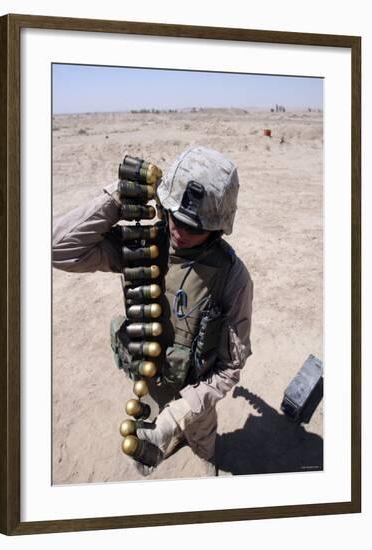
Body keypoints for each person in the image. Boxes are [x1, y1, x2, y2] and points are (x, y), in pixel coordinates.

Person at [52, 145, 253, 476]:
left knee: (203, 442)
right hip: (151, 381)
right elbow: (60, 249)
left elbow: (230, 367)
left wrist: (176, 418)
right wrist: (120, 196)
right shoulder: (144, 244)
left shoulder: (233, 277)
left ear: (217, 227)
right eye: (175, 215)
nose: (179, 231)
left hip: (196, 397)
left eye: (194, 226)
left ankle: (207, 458)